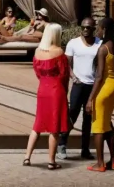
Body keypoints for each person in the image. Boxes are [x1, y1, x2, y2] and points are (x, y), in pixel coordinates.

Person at [23, 23, 68, 170]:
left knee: (37, 124)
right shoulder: (59, 52)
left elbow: (37, 72)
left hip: (42, 89)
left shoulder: (38, 52)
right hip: (56, 90)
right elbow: (64, 75)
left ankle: (27, 157)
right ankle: (51, 161)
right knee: (54, 127)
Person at [58, 17, 99, 161]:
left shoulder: (99, 44)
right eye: (83, 27)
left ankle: (85, 149)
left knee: (88, 119)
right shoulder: (73, 43)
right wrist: (73, 77)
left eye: (88, 27)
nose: (85, 30)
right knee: (72, 115)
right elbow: (66, 63)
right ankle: (62, 143)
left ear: (94, 28)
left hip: (92, 86)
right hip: (78, 85)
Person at [87, 17, 114, 172]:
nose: (97, 31)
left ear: (105, 30)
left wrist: (90, 99)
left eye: (99, 28)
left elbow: (99, 76)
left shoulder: (103, 49)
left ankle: (100, 163)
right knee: (107, 122)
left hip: (105, 87)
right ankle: (113, 160)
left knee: (97, 126)